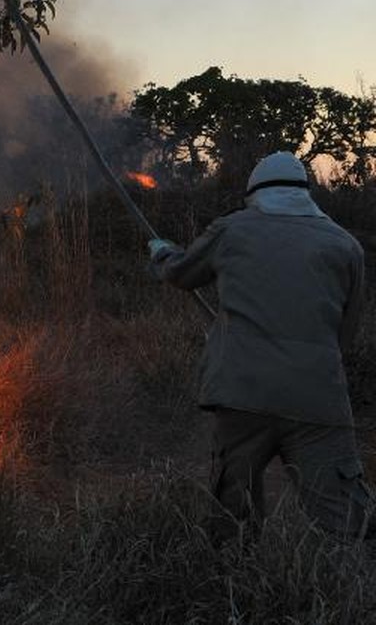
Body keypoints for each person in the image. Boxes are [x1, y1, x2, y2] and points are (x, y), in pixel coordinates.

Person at [149, 151, 371, 542]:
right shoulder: (346, 245)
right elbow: (345, 335)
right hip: (317, 398)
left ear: (255, 193)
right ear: (306, 193)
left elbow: (182, 274)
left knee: (233, 514)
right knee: (347, 518)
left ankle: (237, 589)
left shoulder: (232, 230)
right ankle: (355, 592)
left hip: (241, 394)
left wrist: (162, 253)